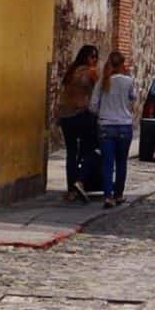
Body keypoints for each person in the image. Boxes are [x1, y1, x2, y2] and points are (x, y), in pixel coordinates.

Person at [91, 49, 138, 209]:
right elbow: (134, 97)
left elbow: (92, 105)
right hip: (124, 125)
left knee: (107, 163)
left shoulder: (102, 81)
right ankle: (119, 194)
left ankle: (108, 196)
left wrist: (102, 114)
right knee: (121, 162)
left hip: (105, 125)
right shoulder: (128, 81)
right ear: (123, 64)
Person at [56, 44, 100, 203]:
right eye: (92, 57)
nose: (94, 60)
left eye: (96, 57)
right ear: (85, 58)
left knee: (71, 153)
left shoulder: (71, 71)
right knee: (93, 149)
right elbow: (99, 92)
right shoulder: (91, 72)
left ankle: (71, 191)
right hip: (81, 115)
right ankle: (80, 180)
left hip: (65, 116)